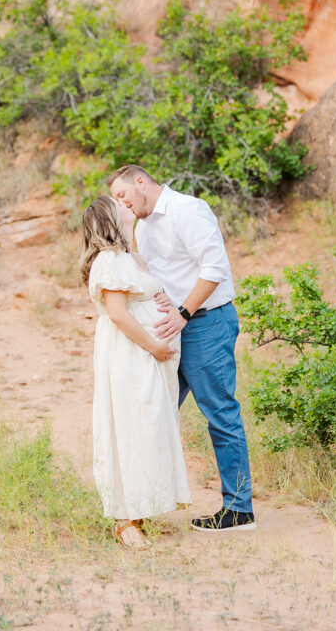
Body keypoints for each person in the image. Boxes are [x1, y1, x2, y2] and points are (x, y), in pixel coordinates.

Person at [108, 164, 255, 532]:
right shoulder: (143, 226)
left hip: (206, 324)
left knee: (220, 413)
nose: (121, 203)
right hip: (172, 330)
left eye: (123, 194)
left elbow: (215, 268)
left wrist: (184, 312)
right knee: (153, 411)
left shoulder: (188, 210)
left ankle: (239, 510)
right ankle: (138, 508)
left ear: (141, 182)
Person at [81, 195, 191, 549]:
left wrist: (164, 303)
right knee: (129, 426)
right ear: (111, 218)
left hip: (147, 355)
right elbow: (117, 313)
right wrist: (155, 345)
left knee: (148, 426)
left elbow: (141, 298)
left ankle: (140, 510)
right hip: (130, 353)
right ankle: (124, 521)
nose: (126, 203)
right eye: (120, 203)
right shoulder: (109, 260)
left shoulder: (133, 257)